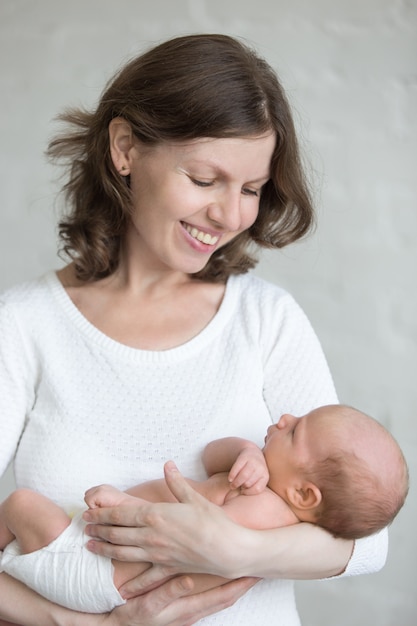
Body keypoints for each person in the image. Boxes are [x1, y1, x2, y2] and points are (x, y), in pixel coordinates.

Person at [0, 33, 390, 625]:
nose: (230, 215)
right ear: (126, 148)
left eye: (252, 189)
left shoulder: (267, 321)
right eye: (206, 179)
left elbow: (365, 538)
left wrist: (234, 548)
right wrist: (84, 625)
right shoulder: (23, 326)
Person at [0, 405, 408, 614]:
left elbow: (188, 536)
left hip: (95, 563)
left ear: (304, 495)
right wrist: (247, 451)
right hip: (95, 556)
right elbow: (214, 457)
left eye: (296, 429)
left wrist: (125, 505)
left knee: (20, 505)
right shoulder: (259, 485)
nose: (285, 417)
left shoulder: (267, 514)